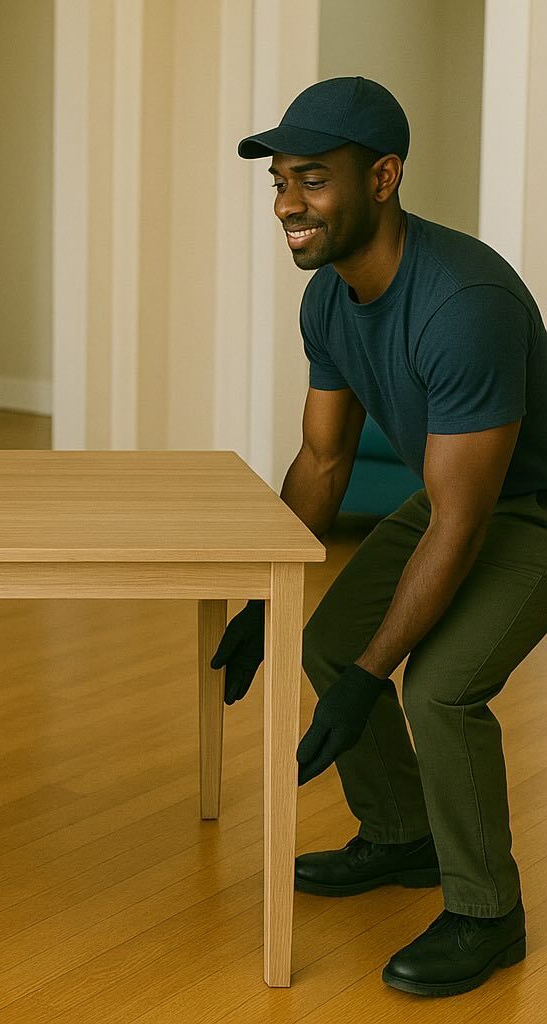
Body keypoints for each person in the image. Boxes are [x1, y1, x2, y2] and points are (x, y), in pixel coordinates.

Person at [211, 76, 547, 996]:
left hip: (531, 510)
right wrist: (259, 598)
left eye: (313, 180)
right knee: (328, 636)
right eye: (281, 181)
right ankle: (404, 838)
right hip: (455, 501)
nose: (288, 203)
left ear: (385, 177)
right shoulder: (328, 299)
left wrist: (372, 681)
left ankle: (489, 913)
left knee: (438, 688)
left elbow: (466, 519)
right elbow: (322, 466)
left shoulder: (461, 302)